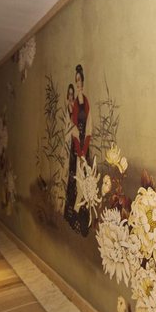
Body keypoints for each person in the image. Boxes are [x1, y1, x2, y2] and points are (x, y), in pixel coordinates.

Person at [64, 64, 91, 234]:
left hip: (85, 146)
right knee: (76, 180)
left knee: (85, 180)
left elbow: (89, 127)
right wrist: (78, 150)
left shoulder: (86, 102)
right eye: (76, 81)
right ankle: (74, 213)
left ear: (83, 81)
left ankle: (83, 216)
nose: (78, 83)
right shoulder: (74, 105)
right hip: (76, 147)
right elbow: (74, 128)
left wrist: (84, 148)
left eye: (79, 80)